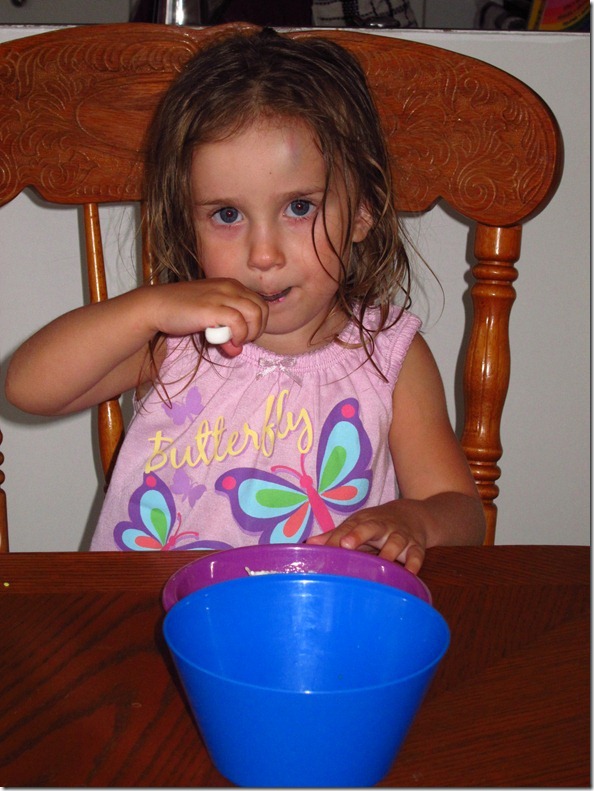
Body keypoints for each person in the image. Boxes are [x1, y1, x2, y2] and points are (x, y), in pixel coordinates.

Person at [4, 28, 485, 571]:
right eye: (227, 215)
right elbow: (27, 388)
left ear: (362, 212)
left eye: (299, 207)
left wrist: (414, 520)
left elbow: (461, 511)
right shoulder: (180, 340)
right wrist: (150, 308)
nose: (263, 254)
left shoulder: (389, 355)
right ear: (189, 224)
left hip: (312, 613)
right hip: (155, 608)